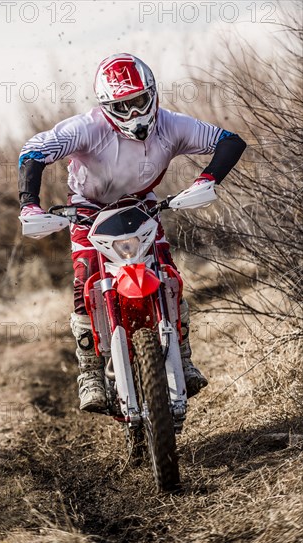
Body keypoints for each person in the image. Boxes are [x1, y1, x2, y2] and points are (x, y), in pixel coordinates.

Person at [18, 53, 246, 413]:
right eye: (121, 105)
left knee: (169, 275)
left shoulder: (171, 125)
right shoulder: (86, 128)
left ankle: (183, 359)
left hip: (142, 206)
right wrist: (29, 204)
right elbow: (33, 152)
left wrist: (207, 179)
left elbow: (230, 141)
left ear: (152, 94)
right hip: (87, 211)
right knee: (86, 280)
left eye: (138, 101)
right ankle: (90, 371)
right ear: (106, 106)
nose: (133, 113)